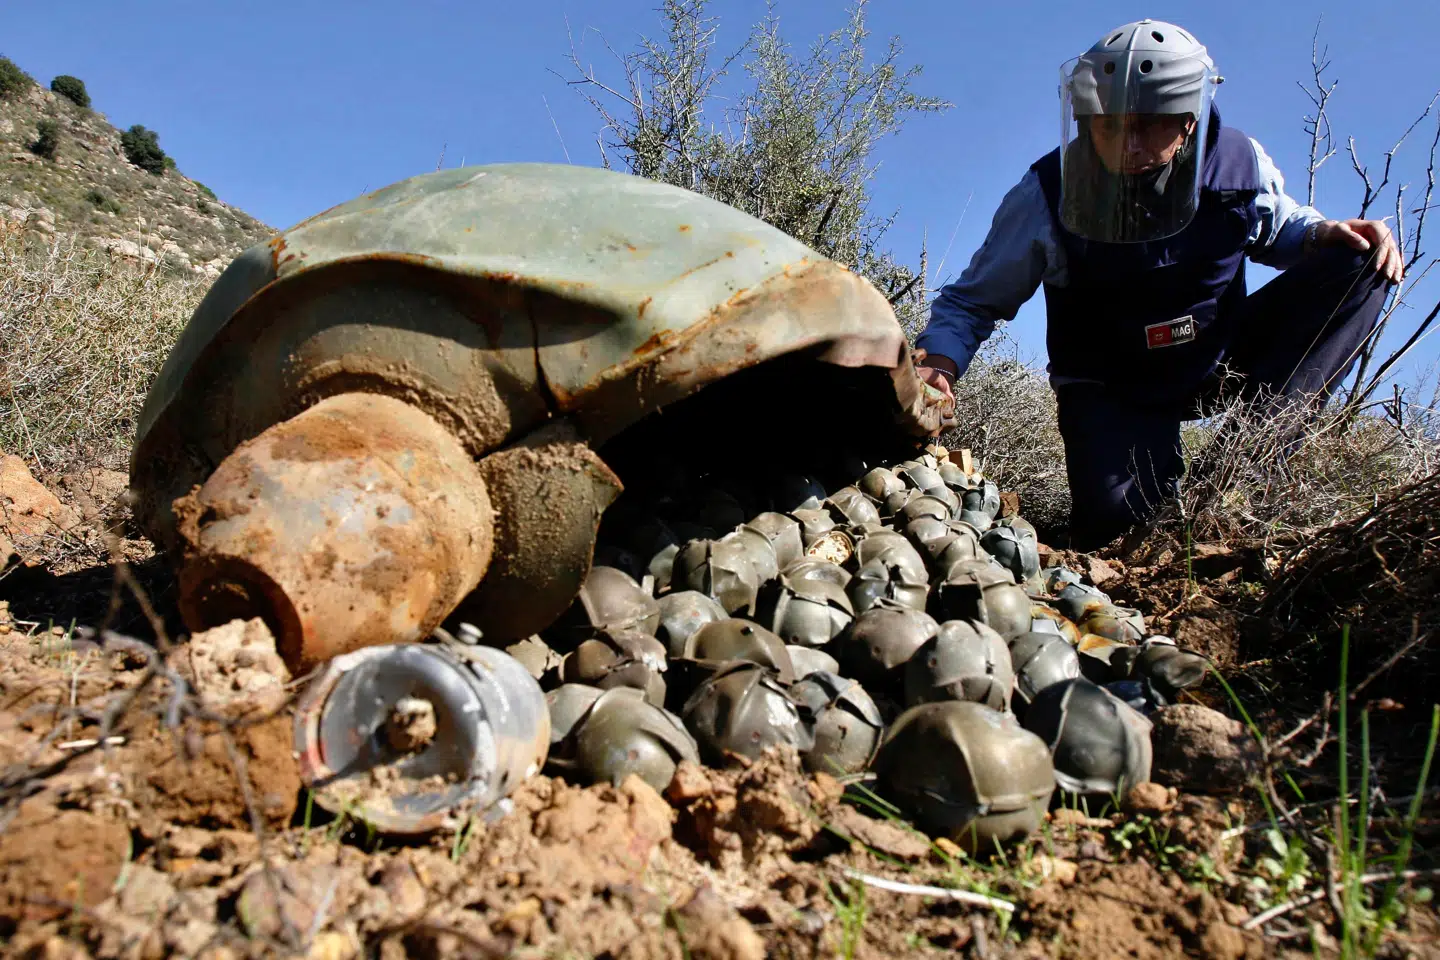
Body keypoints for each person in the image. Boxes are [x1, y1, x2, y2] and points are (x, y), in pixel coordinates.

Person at [914, 19, 1403, 550]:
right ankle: (1139, 501)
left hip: (1216, 359)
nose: (1128, 143)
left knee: (1361, 262)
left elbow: (1276, 225)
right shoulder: (1044, 196)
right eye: (1109, 125)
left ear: (1188, 120)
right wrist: (939, 362)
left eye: (1149, 124)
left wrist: (1322, 232)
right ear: (1085, 115)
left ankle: (1242, 468)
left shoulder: (1239, 164)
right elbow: (972, 299)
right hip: (1114, 386)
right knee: (1117, 530)